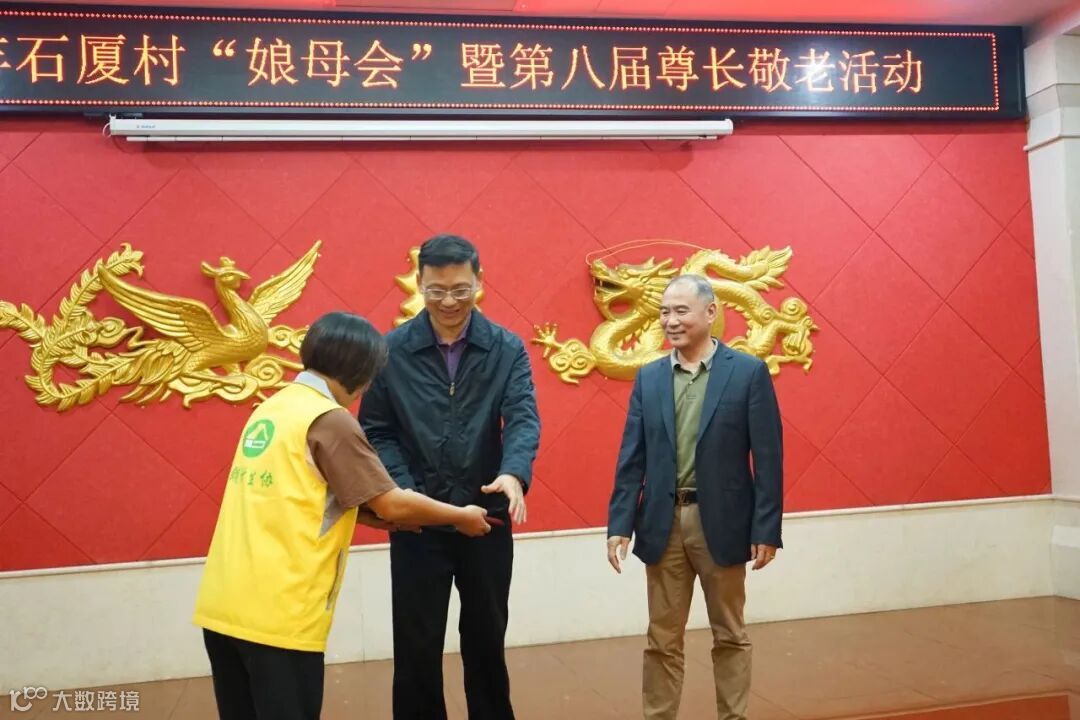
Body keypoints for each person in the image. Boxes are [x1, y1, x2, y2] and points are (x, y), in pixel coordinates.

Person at [193, 310, 492, 720]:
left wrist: (369, 516)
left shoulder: (272, 407)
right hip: (278, 615)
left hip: (223, 606)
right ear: (358, 373)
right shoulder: (330, 420)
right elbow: (392, 502)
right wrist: (460, 515)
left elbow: (301, 495)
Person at [359, 234, 541, 720]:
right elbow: (376, 429)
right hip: (418, 518)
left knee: (487, 640)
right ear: (419, 284)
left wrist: (513, 472)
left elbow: (522, 417)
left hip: (486, 513)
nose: (449, 302)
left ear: (479, 282)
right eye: (436, 290)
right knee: (416, 646)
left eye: (461, 289)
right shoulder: (390, 350)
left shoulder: (506, 348)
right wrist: (403, 490)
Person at [606, 274, 784, 720]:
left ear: (711, 312)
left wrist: (766, 529)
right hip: (662, 524)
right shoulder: (648, 378)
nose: (670, 320)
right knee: (661, 639)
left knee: (730, 634)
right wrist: (619, 524)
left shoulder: (747, 374)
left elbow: (768, 459)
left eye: (681, 311)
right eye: (665, 312)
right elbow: (632, 458)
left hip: (722, 523)